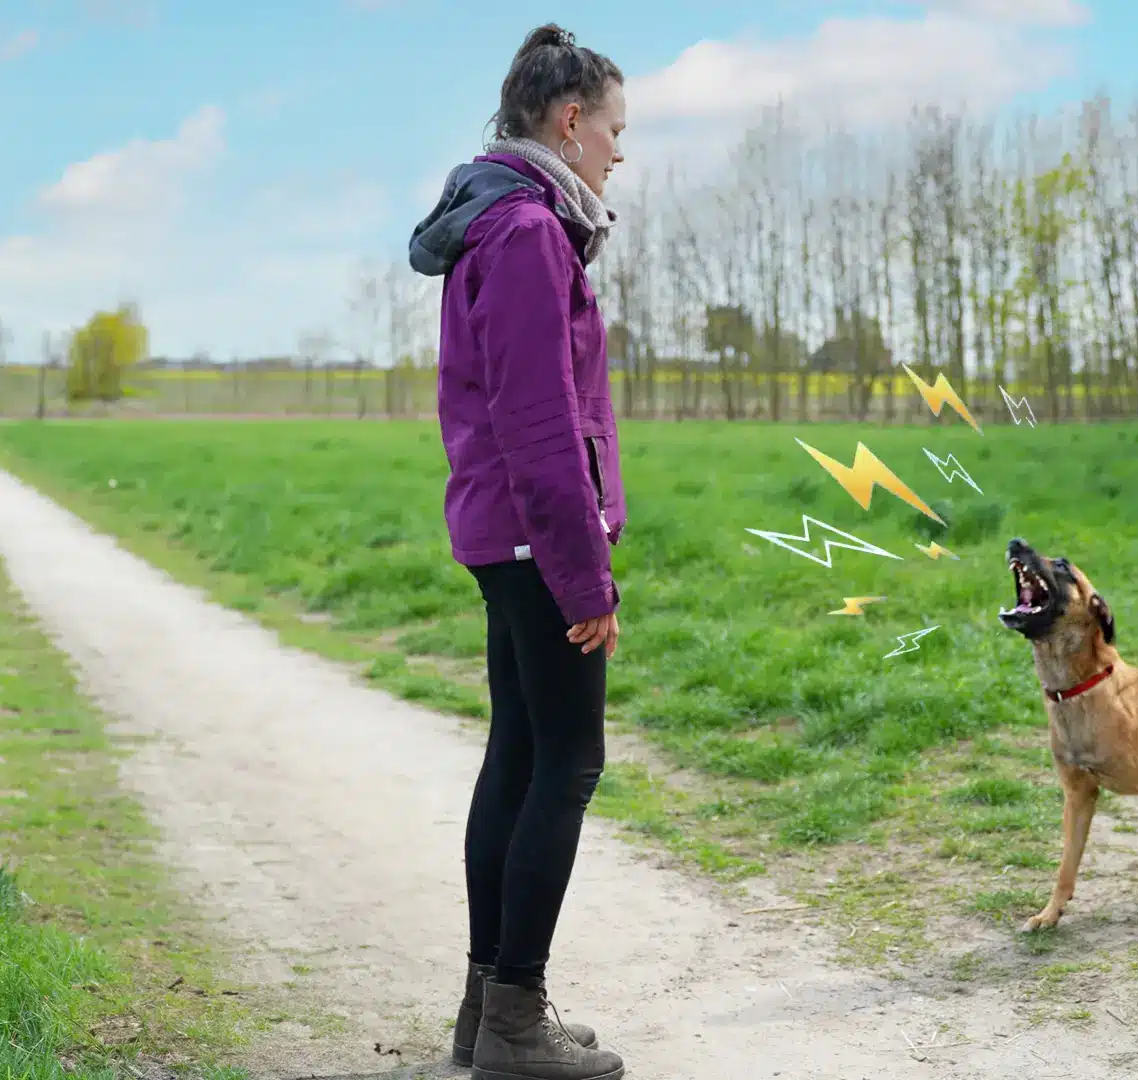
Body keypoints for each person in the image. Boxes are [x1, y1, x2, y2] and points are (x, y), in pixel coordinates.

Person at [407, 23, 629, 1080]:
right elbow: (541, 422)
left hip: (504, 533)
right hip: (539, 538)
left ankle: (485, 1006)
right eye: (614, 130)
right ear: (569, 119)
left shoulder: (498, 221)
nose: (619, 154)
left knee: (518, 754)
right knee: (567, 763)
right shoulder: (531, 233)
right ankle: (513, 1021)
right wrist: (584, 576)